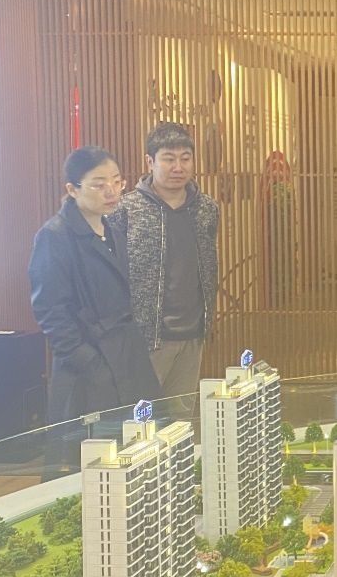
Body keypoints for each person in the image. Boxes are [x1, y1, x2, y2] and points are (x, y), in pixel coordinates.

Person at [29, 147, 160, 423]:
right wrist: (88, 361)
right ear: (72, 189)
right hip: (89, 364)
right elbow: (51, 312)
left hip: (126, 354)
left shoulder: (112, 229)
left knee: (141, 439)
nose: (111, 191)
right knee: (97, 444)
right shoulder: (54, 236)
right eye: (99, 185)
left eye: (117, 181)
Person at [111, 122, 219, 412]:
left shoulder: (206, 209)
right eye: (169, 159)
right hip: (146, 338)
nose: (178, 167)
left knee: (180, 422)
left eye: (185, 158)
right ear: (150, 162)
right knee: (139, 420)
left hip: (193, 334)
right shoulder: (126, 210)